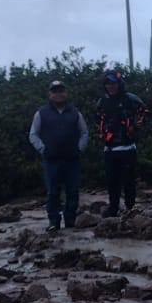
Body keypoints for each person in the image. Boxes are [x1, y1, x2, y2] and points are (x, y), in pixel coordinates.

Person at [28, 79, 89, 230]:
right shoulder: (41, 113)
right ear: (50, 94)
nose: (58, 94)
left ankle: (70, 221)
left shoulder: (75, 112)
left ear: (65, 93)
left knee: (72, 191)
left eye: (61, 91)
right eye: (55, 91)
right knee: (53, 192)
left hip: (72, 160)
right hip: (51, 160)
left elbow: (84, 133)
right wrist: (43, 149)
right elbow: (33, 134)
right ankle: (54, 222)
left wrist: (79, 149)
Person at [92, 70, 149, 217]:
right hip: (110, 149)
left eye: (113, 83)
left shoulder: (130, 98)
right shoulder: (102, 102)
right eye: (107, 83)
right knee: (112, 182)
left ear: (119, 84)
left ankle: (130, 208)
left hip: (128, 148)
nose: (110, 86)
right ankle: (113, 208)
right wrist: (101, 134)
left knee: (129, 181)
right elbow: (98, 120)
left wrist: (138, 125)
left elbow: (144, 111)